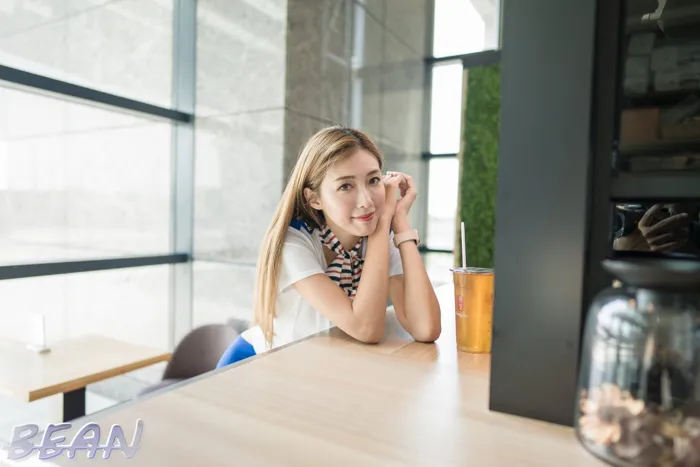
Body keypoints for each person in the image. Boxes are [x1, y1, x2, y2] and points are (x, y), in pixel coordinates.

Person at [216, 126, 442, 368]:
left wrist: (400, 224)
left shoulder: (379, 232)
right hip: (256, 365)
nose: (366, 201)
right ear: (314, 199)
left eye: (373, 180)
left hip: (322, 367)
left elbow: (426, 327)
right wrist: (384, 222)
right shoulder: (293, 243)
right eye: (346, 186)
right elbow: (367, 329)